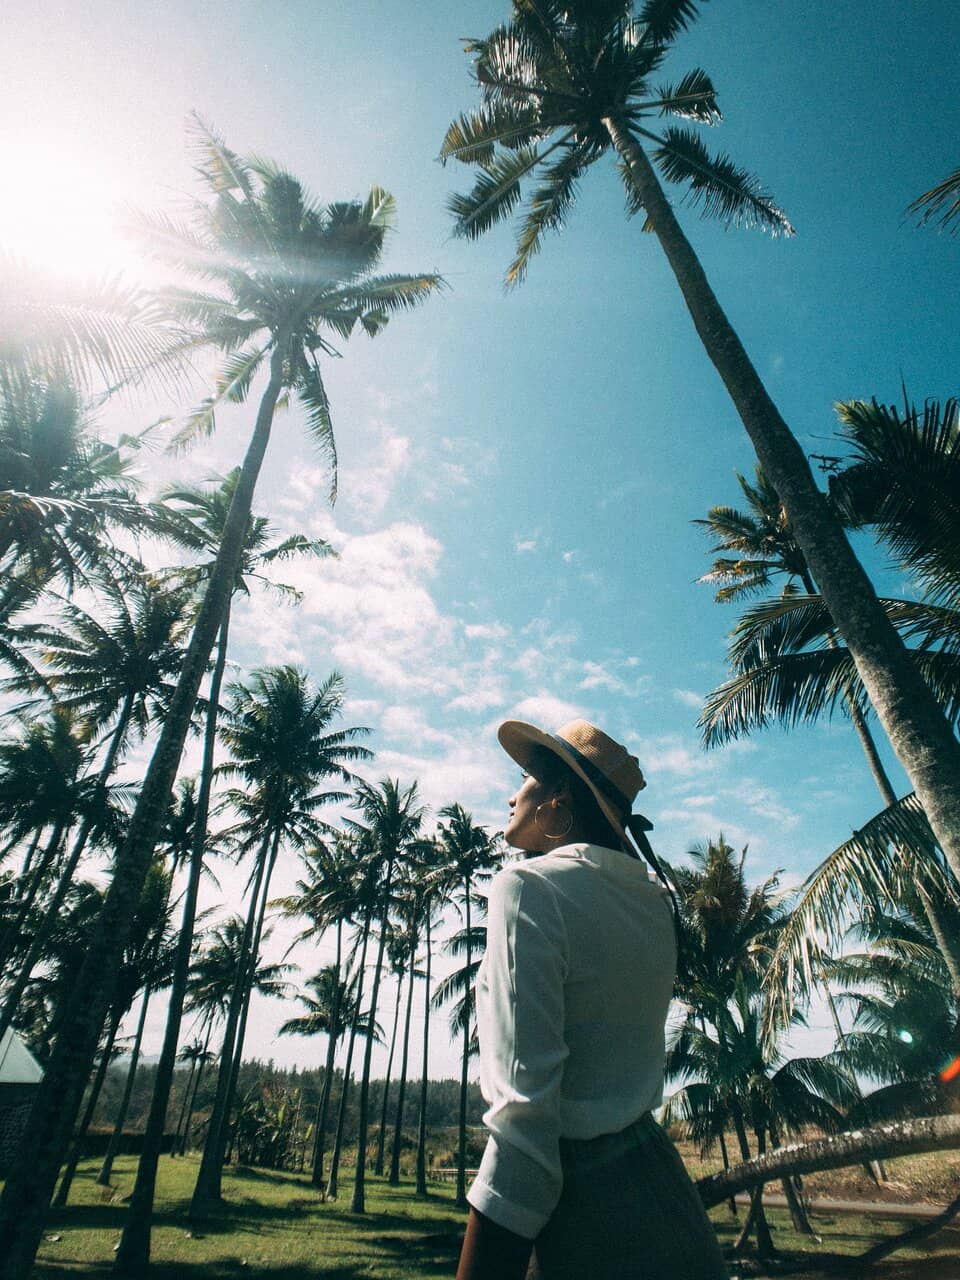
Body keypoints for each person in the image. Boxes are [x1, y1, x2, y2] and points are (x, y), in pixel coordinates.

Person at [455, 718, 728, 1280]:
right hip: (662, 1190)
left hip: (584, 1216)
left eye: (527, 778)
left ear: (558, 797)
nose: (512, 793)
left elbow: (525, 1122)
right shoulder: (653, 904)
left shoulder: (529, 888)